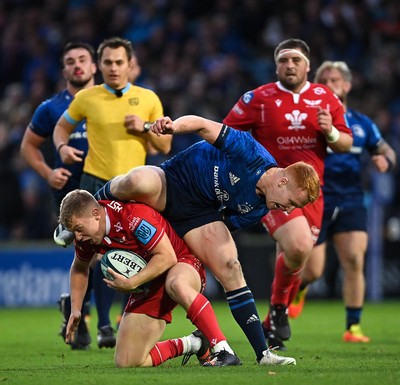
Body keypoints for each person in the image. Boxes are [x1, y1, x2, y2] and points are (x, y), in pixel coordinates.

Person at [92, 114, 320, 365]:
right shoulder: (250, 152)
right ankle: (90, 204)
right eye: (291, 203)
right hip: (174, 183)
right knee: (137, 181)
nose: (287, 210)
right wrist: (173, 127)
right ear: (283, 181)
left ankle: (263, 354)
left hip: (197, 215)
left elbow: (220, 227)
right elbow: (201, 125)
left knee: (230, 267)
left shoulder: (258, 208)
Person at [223, 38, 353, 349]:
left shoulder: (326, 98)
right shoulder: (259, 98)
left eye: (295, 60)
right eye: (283, 60)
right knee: (297, 245)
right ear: (276, 65)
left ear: (308, 66)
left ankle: (271, 322)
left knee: (306, 262)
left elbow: (345, 143)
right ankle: (280, 310)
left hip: (313, 193)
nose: (289, 65)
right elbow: (226, 134)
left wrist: (330, 131)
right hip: (275, 189)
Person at [53, 37, 172, 349]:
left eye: (119, 62)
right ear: (100, 65)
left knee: (129, 258)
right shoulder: (87, 97)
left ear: (130, 64)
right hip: (97, 186)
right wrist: (62, 147)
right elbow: (61, 128)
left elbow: (165, 146)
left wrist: (145, 128)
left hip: (135, 190)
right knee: (95, 258)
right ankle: (103, 324)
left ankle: (115, 318)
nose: (113, 68)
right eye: (107, 62)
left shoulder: (148, 98)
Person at [58, 190, 244, 367]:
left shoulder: (132, 217)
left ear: (96, 214)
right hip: (149, 281)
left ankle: (223, 349)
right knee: (126, 361)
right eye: (74, 232)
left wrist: (132, 282)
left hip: (181, 263)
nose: (78, 237)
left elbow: (167, 256)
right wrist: (76, 309)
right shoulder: (87, 237)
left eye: (79, 229)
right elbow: (79, 269)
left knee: (176, 284)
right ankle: (194, 343)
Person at [287, 61, 397, 343]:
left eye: (335, 80)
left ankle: (353, 328)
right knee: (314, 269)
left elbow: (387, 150)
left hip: (351, 198)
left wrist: (386, 160)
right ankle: (301, 288)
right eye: (323, 80)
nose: (329, 85)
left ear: (347, 85)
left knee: (354, 260)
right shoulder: (307, 119)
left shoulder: (361, 124)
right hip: (316, 198)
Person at [20, 41, 97, 350]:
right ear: (64, 69)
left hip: (106, 185)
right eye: (70, 61)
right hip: (69, 195)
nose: (77, 65)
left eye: (82, 59)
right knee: (93, 253)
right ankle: (88, 316)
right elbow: (28, 146)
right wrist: (48, 173)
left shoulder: (109, 101)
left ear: (94, 66)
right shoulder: (50, 108)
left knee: (100, 255)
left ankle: (82, 312)